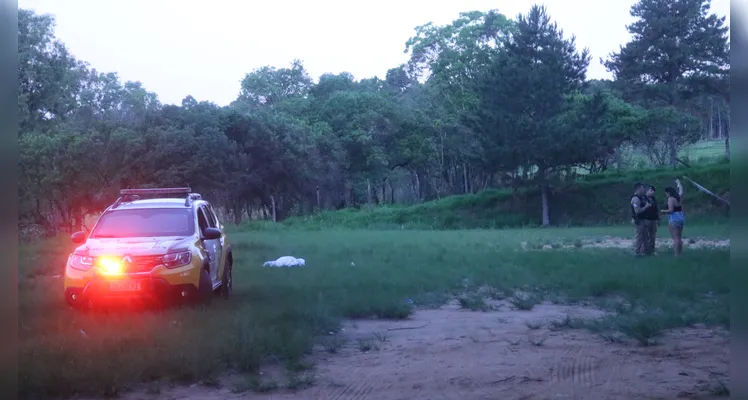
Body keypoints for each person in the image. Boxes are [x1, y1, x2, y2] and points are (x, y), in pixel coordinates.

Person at [661, 179, 685, 256]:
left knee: (676, 238)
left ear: (668, 192)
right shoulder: (678, 197)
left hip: (674, 220)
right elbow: (681, 191)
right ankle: (679, 253)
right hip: (681, 218)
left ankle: (676, 254)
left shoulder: (670, 199)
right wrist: (679, 183)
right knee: (679, 237)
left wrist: (663, 211)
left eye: (666, 193)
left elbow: (671, 210)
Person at [630, 182, 655, 257]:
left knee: (645, 237)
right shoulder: (635, 199)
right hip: (639, 221)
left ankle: (646, 252)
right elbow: (637, 211)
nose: (644, 189)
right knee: (639, 237)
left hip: (643, 220)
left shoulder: (641, 197)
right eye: (642, 188)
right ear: (638, 188)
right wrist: (646, 207)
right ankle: (637, 252)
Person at [640, 185, 660, 255]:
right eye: (651, 191)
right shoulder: (643, 198)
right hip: (646, 219)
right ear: (647, 190)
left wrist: (658, 218)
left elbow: (656, 209)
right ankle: (644, 249)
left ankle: (652, 250)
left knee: (653, 235)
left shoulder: (654, 199)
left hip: (654, 219)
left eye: (653, 191)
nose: (652, 193)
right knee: (645, 235)